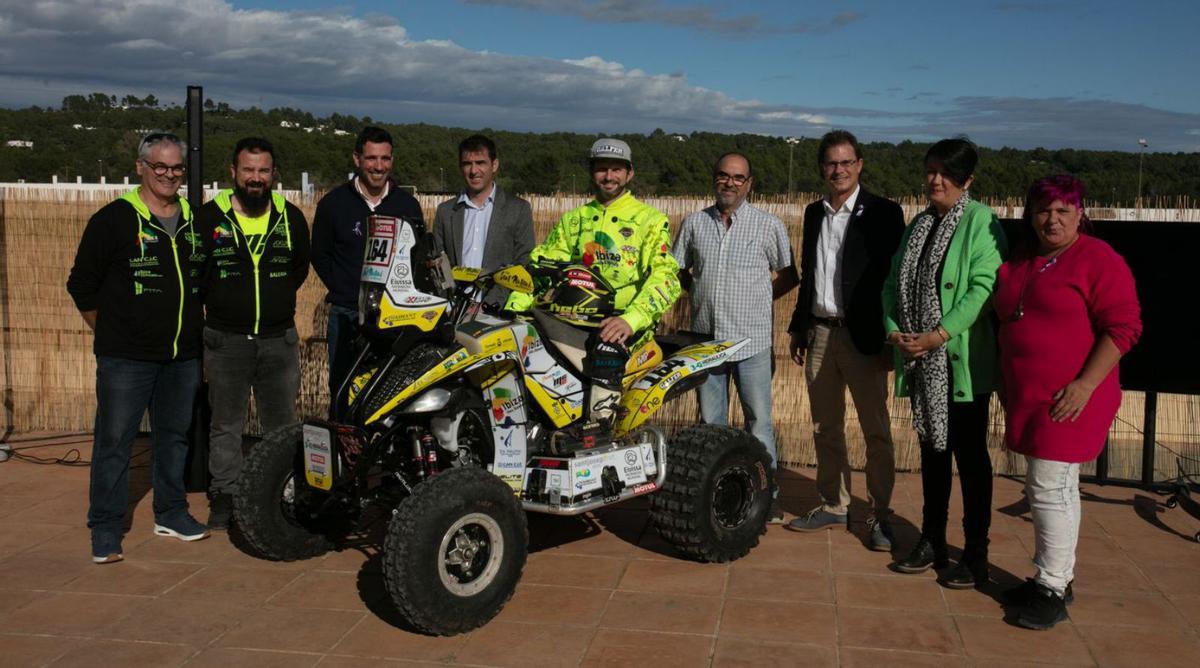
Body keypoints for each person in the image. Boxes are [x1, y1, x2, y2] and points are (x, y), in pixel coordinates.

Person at [993, 175, 1140, 630]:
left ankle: (1053, 586)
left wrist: (1083, 385)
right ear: (1029, 214)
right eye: (1043, 210)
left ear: (1080, 214)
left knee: (1049, 486)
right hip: (1030, 396)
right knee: (1054, 487)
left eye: (1062, 210)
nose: (1052, 219)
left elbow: (1123, 328)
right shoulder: (1024, 258)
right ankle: (1053, 577)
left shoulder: (1098, 259)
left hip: (1072, 397)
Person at [66, 131, 210, 563]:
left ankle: (170, 511)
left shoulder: (194, 220)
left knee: (173, 439)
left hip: (181, 355)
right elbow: (81, 287)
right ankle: (106, 527)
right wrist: (111, 334)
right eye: (160, 166)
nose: (169, 175)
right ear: (141, 167)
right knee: (115, 442)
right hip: (125, 358)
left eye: (176, 168)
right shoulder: (112, 220)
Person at [882, 138, 1006, 588]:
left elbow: (982, 289)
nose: (936, 180)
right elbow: (892, 282)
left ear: (967, 180)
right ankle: (931, 539)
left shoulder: (980, 222)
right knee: (933, 455)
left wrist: (938, 335)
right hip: (920, 360)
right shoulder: (918, 224)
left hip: (960, 365)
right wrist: (893, 329)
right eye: (931, 170)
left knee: (970, 459)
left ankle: (975, 554)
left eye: (947, 174)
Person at [785, 131, 906, 550]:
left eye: (846, 162)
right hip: (820, 332)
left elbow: (895, 281)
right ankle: (834, 504)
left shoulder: (885, 213)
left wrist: (891, 335)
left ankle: (879, 514)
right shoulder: (814, 213)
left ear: (860, 165)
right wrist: (799, 327)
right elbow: (809, 273)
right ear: (822, 168)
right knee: (825, 426)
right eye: (831, 164)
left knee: (876, 430)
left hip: (865, 337)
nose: (838, 170)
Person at [507, 138, 680, 430]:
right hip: (568, 316)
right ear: (591, 171)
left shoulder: (650, 220)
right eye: (601, 169)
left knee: (607, 349)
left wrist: (630, 319)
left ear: (629, 174)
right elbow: (542, 268)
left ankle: (601, 432)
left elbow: (666, 277)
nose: (609, 176)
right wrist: (512, 311)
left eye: (616, 169)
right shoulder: (573, 220)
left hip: (620, 323)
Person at [674, 151, 797, 523]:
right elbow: (678, 269)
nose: (730, 183)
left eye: (738, 177)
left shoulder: (768, 225)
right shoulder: (694, 223)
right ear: (715, 179)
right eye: (723, 176)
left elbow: (790, 274)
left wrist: (760, 299)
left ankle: (767, 495)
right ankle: (718, 493)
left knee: (758, 420)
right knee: (712, 425)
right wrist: (696, 293)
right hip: (707, 342)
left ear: (750, 184)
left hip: (751, 341)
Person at [196, 137, 311, 530]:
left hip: (278, 338)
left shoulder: (290, 217)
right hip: (226, 339)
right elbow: (198, 274)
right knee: (225, 424)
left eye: (263, 171)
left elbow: (298, 269)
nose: (256, 178)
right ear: (233, 172)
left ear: (273, 174)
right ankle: (225, 495)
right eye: (249, 170)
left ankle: (281, 491)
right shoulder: (209, 219)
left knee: (281, 425)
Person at [312, 126, 424, 408]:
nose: (378, 166)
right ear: (357, 159)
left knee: (391, 392)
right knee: (342, 390)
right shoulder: (333, 204)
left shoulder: (407, 205)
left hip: (394, 315)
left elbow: (415, 259)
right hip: (347, 313)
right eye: (372, 158)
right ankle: (340, 451)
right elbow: (320, 255)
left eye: (385, 159)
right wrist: (346, 289)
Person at [431, 133, 535, 303]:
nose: (473, 171)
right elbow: (438, 263)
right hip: (453, 310)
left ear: (494, 165)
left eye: (480, 163)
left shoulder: (518, 209)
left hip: (497, 312)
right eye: (467, 164)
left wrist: (491, 304)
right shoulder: (445, 211)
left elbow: (524, 263)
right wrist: (450, 302)